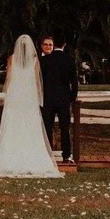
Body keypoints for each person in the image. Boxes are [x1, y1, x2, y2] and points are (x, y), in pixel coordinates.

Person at [0, 35, 62, 179]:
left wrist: (7, 94)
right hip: (29, 97)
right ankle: (32, 157)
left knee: (13, 125)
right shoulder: (35, 60)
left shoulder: (12, 59)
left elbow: (9, 78)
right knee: (30, 126)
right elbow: (37, 81)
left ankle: (9, 159)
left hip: (16, 96)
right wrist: (38, 97)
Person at [39, 35, 79, 164]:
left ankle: (47, 155)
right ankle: (66, 155)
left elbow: (40, 81)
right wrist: (72, 97)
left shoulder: (45, 60)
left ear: (54, 44)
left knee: (47, 128)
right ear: (65, 45)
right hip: (63, 99)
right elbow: (74, 82)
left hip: (48, 99)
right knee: (65, 128)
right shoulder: (69, 60)